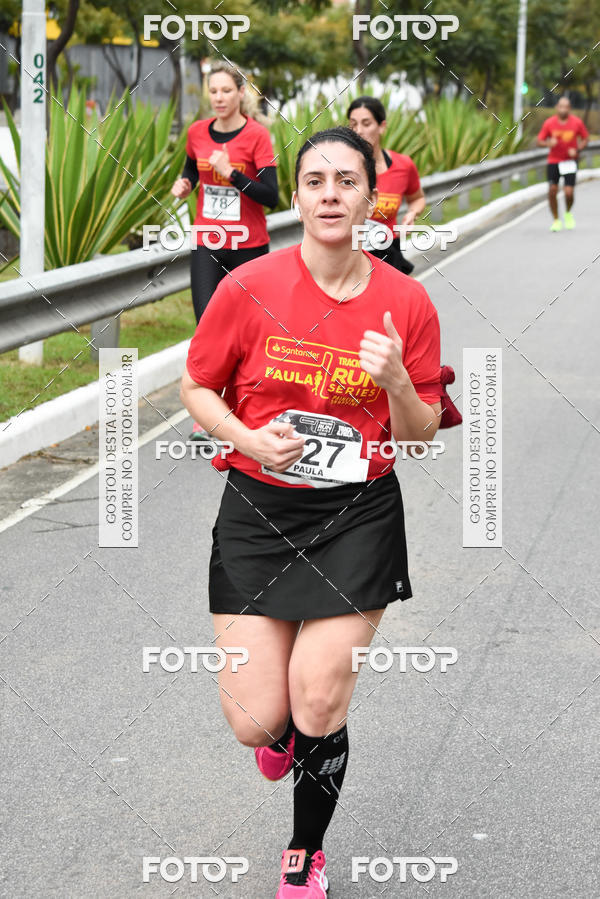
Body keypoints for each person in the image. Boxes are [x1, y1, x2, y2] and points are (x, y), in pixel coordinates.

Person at [180, 126, 444, 898]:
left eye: (347, 181)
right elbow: (196, 386)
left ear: (371, 195)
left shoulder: (405, 301)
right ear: (294, 195)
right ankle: (285, 734)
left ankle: (305, 853)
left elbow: (422, 433)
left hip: (356, 515)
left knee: (319, 694)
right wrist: (245, 438)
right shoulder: (248, 286)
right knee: (257, 722)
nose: (331, 194)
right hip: (259, 512)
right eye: (315, 180)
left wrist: (397, 379)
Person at [171, 61, 278, 438]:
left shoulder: (257, 137)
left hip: (248, 247)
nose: (218, 98)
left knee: (248, 334)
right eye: (213, 91)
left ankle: (245, 408)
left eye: (226, 91)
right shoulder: (197, 132)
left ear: (240, 94)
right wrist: (185, 184)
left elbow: (272, 197)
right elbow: (190, 169)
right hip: (208, 244)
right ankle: (210, 416)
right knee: (207, 327)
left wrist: (232, 173)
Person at [347, 96, 425, 275]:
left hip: (389, 252)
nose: (359, 131)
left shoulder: (403, 165)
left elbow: (417, 198)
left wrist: (412, 214)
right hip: (351, 254)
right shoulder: (339, 169)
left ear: (381, 126)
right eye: (353, 124)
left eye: (366, 124)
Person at [537, 96, 589, 232]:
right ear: (556, 108)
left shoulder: (576, 123)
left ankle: (568, 213)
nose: (563, 109)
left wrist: (577, 149)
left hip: (570, 161)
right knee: (552, 190)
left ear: (569, 108)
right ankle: (556, 220)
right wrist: (548, 143)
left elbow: (585, 138)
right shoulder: (549, 123)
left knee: (569, 192)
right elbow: (539, 141)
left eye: (566, 107)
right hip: (554, 161)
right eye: (561, 106)